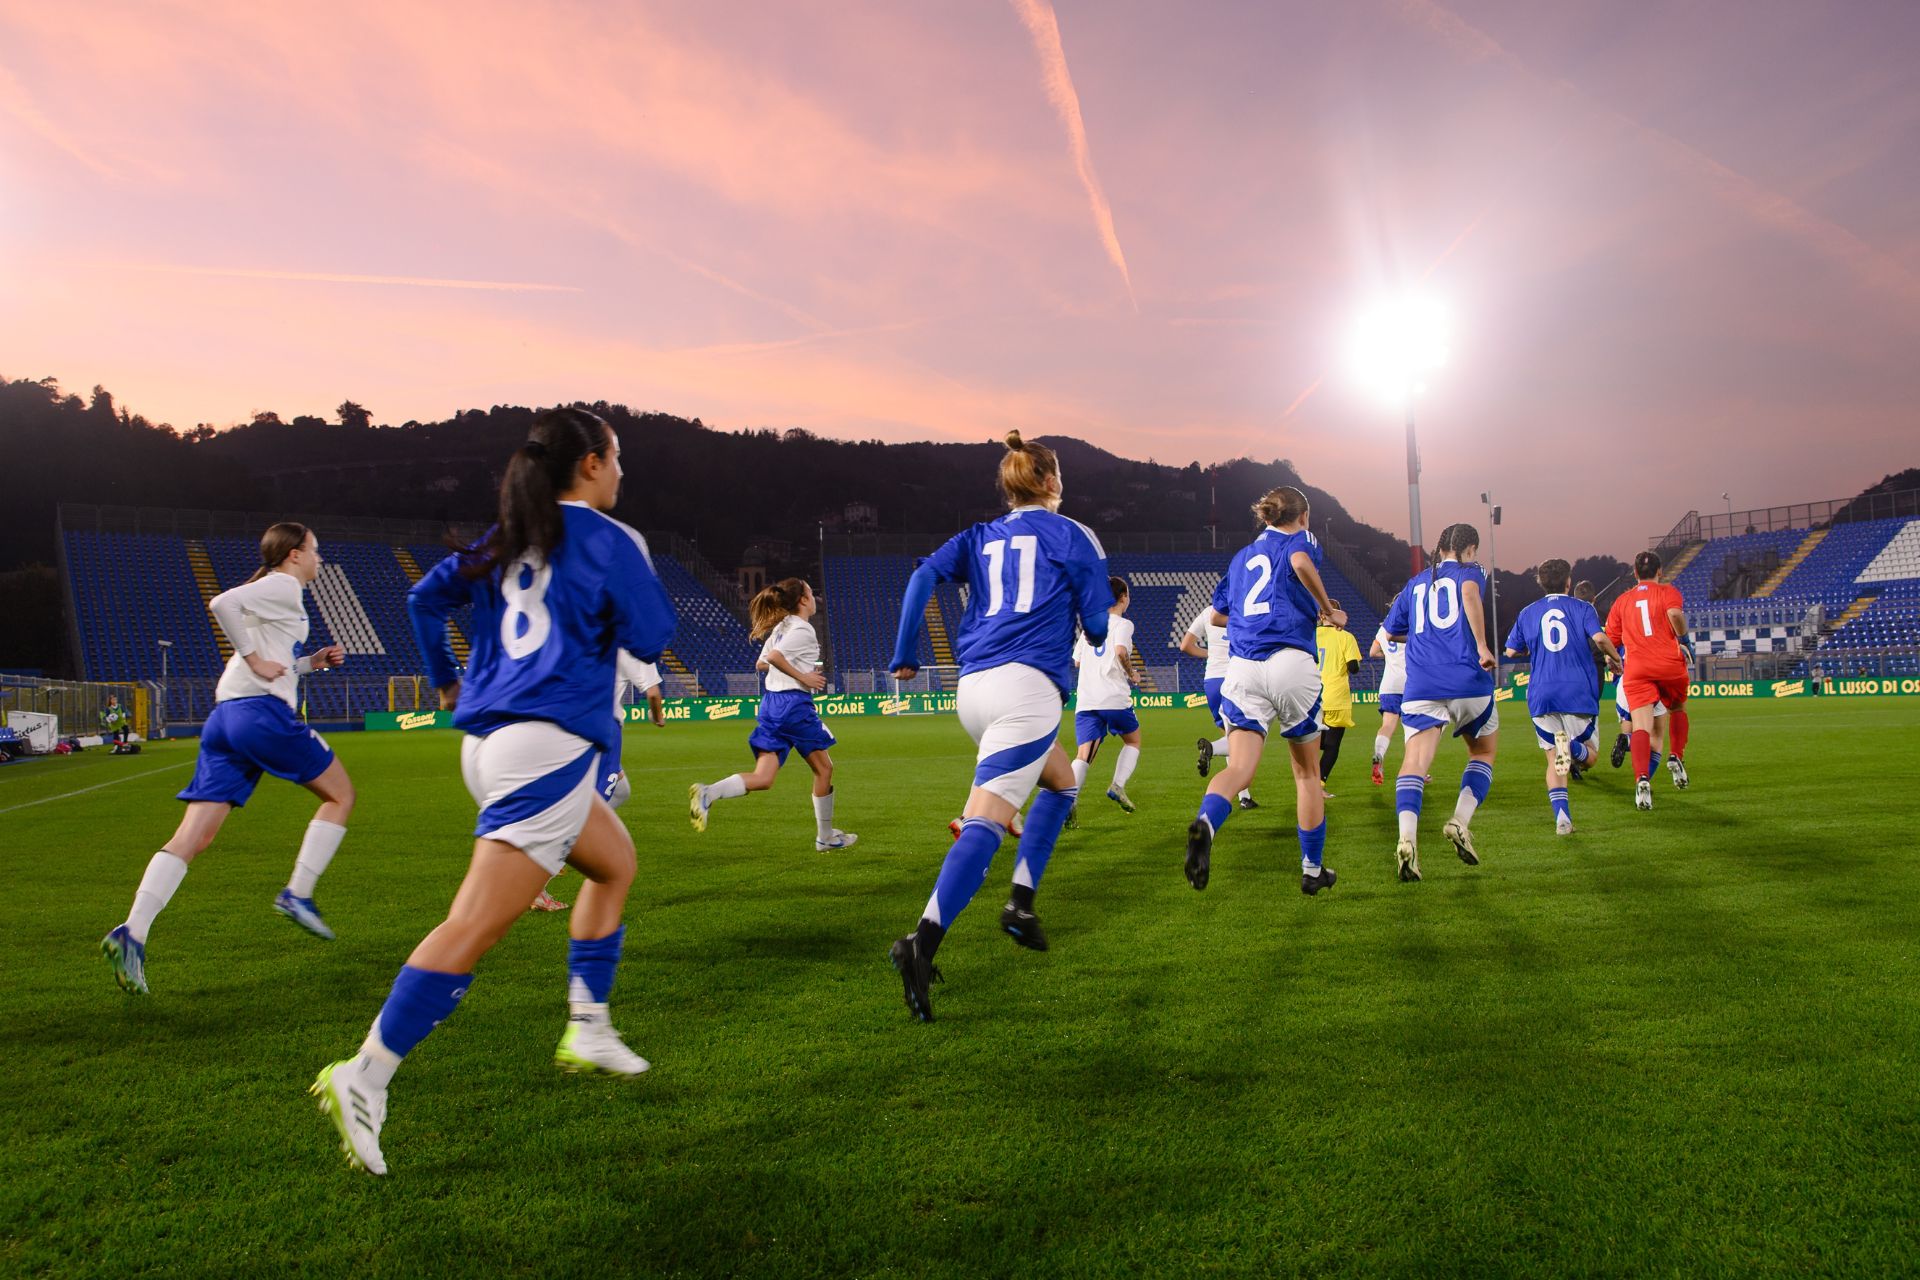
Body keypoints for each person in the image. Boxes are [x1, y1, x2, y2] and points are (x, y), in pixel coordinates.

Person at [311, 407, 676, 1176]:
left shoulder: (507, 536)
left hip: (490, 743)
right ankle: (365, 1074)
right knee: (473, 926)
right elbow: (650, 636)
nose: (622, 472)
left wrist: (445, 678)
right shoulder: (611, 539)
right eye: (617, 458)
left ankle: (589, 1023)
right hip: (546, 745)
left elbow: (422, 601)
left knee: (615, 864)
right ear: (590, 465)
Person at [885, 431, 1109, 1021]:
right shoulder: (1073, 533)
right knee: (987, 819)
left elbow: (919, 578)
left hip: (973, 688)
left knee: (1062, 783)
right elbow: (1097, 623)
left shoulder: (978, 535)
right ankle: (921, 942)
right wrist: (1093, 628)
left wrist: (905, 652)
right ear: (1050, 481)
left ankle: (1022, 902)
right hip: (1028, 690)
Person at [100, 522, 352, 996]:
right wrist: (256, 661)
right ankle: (297, 893)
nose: (320, 558)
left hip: (226, 718)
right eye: (316, 550)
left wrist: (308, 664)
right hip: (260, 714)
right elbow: (222, 604)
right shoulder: (282, 584)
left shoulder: (276, 592)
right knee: (340, 795)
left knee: (193, 837)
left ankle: (132, 932)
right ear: (295, 554)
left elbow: (273, 657)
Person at [1183, 486, 1339, 897]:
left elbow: (1217, 617)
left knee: (1239, 769)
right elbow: (1301, 561)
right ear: (1302, 515)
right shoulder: (1300, 539)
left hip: (1243, 669)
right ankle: (1312, 868)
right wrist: (1326, 608)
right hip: (1290, 661)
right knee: (1306, 773)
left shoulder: (1239, 559)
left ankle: (1206, 823)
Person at [688, 578, 856, 851]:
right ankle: (825, 837)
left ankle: (708, 792)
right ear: (802, 600)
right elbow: (775, 658)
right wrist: (804, 676)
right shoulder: (802, 629)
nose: (815, 597)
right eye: (811, 592)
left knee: (763, 778)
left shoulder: (782, 627)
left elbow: (761, 663)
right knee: (824, 768)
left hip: (771, 705)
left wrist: (794, 669)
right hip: (793, 706)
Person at [1381, 523, 1498, 882]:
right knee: (1482, 753)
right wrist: (1480, 645)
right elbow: (1468, 594)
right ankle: (1460, 821)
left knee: (1414, 762)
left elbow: (1390, 630)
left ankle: (1407, 839)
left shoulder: (1416, 583)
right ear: (1470, 548)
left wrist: (1421, 629)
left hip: (1421, 684)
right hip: (1466, 678)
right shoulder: (1471, 571)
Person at [530, 650, 665, 914]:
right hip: (602, 727)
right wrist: (656, 716)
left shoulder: (593, 630)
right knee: (582, 813)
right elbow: (652, 693)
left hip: (571, 722)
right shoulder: (637, 647)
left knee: (621, 790)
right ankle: (540, 881)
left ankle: (562, 841)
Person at [1503, 560, 1621, 835]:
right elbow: (1601, 639)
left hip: (1542, 693)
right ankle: (1572, 746)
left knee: (1554, 760)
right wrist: (1616, 659)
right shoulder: (1583, 608)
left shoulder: (1528, 612)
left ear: (1541, 583)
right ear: (1569, 582)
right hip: (1576, 690)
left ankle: (1562, 820)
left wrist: (1535, 648)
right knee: (1589, 758)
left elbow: (1510, 651)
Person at [1605, 551, 1692, 811]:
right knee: (1677, 708)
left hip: (1637, 668)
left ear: (1634, 573)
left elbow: (1612, 639)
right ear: (1660, 571)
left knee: (1640, 726)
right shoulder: (1668, 592)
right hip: (1668, 664)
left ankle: (1641, 778)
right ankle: (1676, 755)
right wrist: (1683, 640)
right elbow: (1675, 615)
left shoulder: (1622, 600)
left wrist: (1611, 660)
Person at [1071, 575, 1142, 813]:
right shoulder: (1123, 624)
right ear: (1123, 597)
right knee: (1133, 740)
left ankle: (1068, 800)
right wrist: (1132, 674)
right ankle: (1118, 785)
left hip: (1087, 699)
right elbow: (1121, 651)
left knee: (1084, 754)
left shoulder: (1090, 626)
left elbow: (1078, 661)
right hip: (1113, 696)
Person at [1182, 592, 1255, 808]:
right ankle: (1211, 749)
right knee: (1245, 739)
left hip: (1212, 680)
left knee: (1231, 737)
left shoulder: (1207, 613)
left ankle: (1244, 797)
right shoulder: (1243, 612)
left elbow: (1185, 645)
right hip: (1236, 677)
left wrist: (1211, 654)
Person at [1314, 603, 1361, 795]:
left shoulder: (1310, 634)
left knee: (1312, 741)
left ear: (1320, 616)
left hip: (1312, 696)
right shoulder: (1346, 637)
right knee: (1332, 745)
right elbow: (1353, 668)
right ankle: (1319, 784)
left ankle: (1307, 782)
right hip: (1335, 696)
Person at [1367, 621, 1407, 786]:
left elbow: (1373, 652)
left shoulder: (1383, 629)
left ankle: (1379, 753)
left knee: (1387, 725)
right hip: (1411, 684)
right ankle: (1417, 769)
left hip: (1389, 685)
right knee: (1414, 730)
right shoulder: (1413, 625)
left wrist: (1389, 657)